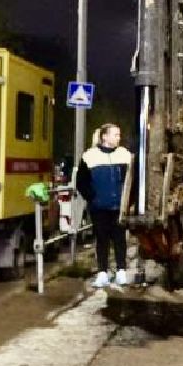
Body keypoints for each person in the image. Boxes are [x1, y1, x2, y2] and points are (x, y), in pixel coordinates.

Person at [75, 122, 133, 289]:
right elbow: (81, 182)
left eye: (119, 134)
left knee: (120, 239)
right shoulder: (90, 156)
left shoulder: (125, 155)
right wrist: (92, 197)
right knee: (102, 239)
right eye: (115, 134)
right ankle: (102, 272)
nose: (118, 138)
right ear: (104, 137)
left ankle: (121, 271)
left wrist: (129, 200)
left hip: (119, 207)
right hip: (99, 207)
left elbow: (132, 180)